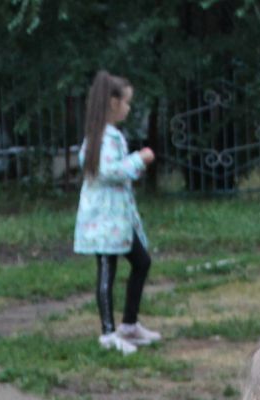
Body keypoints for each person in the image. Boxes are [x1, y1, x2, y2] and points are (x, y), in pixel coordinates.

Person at [74, 70, 158, 355]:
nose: (129, 108)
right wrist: (139, 159)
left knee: (141, 261)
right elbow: (108, 172)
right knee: (107, 271)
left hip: (117, 221)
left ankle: (129, 324)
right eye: (126, 102)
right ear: (113, 103)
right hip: (104, 220)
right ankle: (108, 333)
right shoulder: (101, 138)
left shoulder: (108, 136)